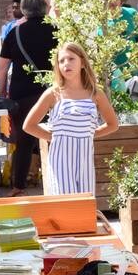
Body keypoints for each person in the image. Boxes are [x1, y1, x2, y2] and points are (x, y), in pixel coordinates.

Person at [21, 42, 120, 195]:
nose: (66, 64)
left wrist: (89, 134)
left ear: (82, 62)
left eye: (71, 59)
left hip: (85, 162)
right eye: (61, 61)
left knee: (84, 206)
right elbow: (29, 125)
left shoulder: (95, 93)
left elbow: (113, 124)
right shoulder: (53, 93)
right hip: (60, 161)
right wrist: (53, 137)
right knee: (66, 206)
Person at [0, 0, 58, 196]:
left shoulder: (14, 32)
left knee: (23, 140)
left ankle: (18, 186)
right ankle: (58, 181)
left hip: (22, 93)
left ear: (23, 10)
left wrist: (1, 92)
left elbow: (3, 67)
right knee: (55, 136)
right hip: (52, 91)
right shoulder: (56, 30)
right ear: (45, 9)